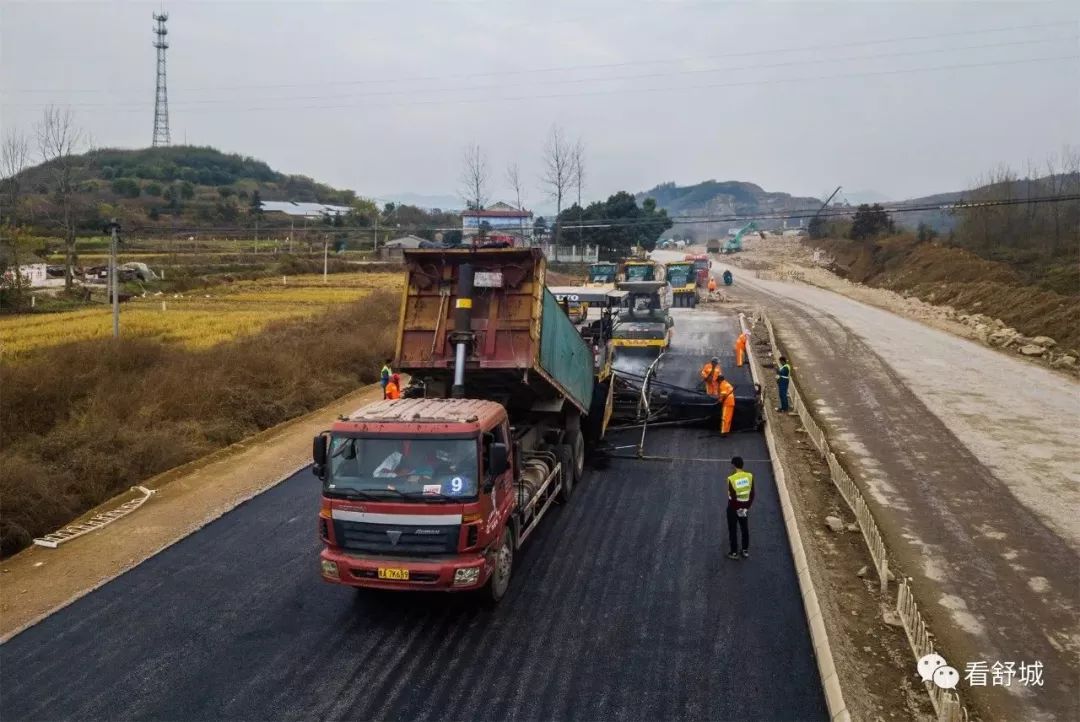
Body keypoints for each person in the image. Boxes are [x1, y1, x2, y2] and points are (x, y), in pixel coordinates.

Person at [726, 456, 754, 559]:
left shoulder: (731, 479)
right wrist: (746, 507)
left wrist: (736, 508)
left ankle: (734, 553)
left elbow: (732, 497)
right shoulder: (749, 476)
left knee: (733, 530)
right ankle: (745, 550)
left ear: (734, 465)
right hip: (744, 507)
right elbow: (752, 493)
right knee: (744, 528)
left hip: (733, 508)